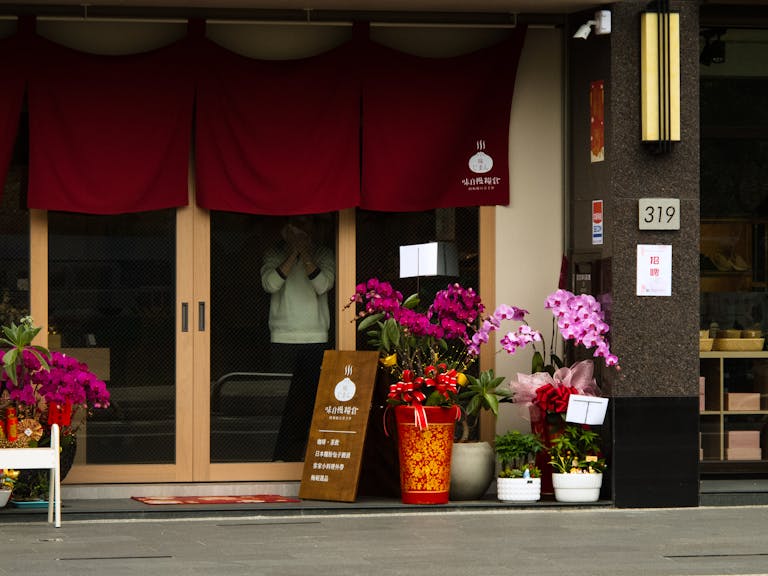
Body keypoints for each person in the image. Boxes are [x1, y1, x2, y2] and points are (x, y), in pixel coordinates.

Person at [261, 215, 335, 461]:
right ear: (285, 230)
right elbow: (270, 284)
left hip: (316, 336)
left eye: (306, 225)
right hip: (283, 336)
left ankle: (311, 458)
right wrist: (293, 254)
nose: (301, 232)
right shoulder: (274, 253)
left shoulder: (323, 254)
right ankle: (281, 457)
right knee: (283, 404)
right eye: (296, 227)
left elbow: (323, 284)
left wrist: (306, 255)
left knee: (313, 402)